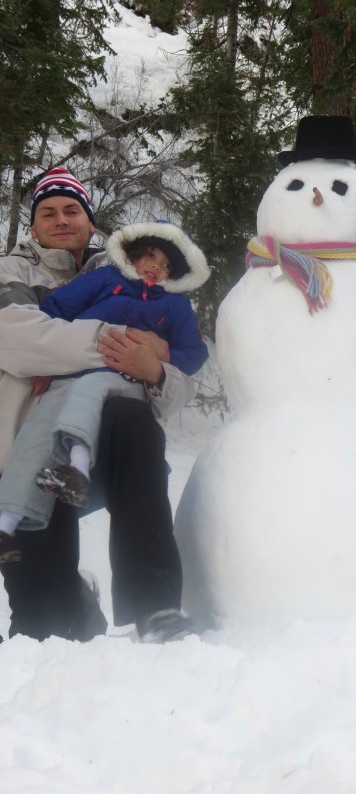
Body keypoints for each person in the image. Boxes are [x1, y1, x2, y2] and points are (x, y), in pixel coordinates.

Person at [0, 167, 200, 642]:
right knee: (43, 628)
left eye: (72, 209)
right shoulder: (12, 271)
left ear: (91, 222)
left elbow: (181, 383)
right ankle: (72, 603)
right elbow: (13, 339)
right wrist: (122, 343)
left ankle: (156, 609)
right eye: (48, 212)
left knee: (133, 419)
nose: (61, 219)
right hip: (24, 448)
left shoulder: (137, 274)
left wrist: (154, 371)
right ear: (33, 227)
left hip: (109, 445)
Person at [0, 220, 209, 541]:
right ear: (134, 255)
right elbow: (56, 310)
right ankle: (8, 518)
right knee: (38, 429)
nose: (155, 267)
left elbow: (194, 353)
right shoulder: (105, 278)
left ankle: (78, 467)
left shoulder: (175, 305)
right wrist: (47, 362)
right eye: (150, 257)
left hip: (125, 378)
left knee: (89, 391)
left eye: (166, 265)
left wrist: (161, 358)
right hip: (72, 369)